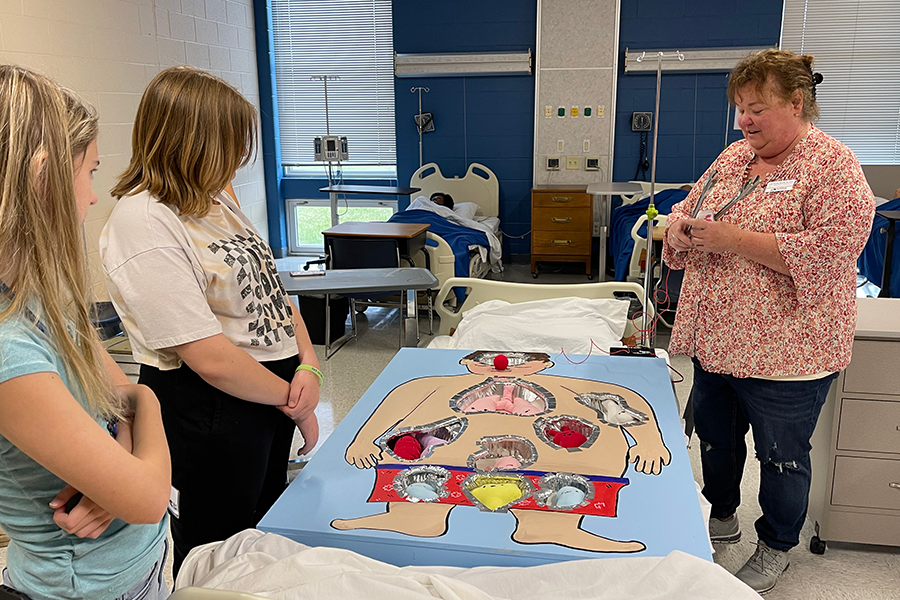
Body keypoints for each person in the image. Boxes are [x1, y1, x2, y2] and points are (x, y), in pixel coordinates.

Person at [663, 49, 875, 593]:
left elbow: (834, 251)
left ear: (796, 102)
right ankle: (722, 512)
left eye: (756, 108)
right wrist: (680, 229)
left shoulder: (832, 166)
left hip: (788, 351)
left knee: (781, 457)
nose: (744, 121)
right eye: (739, 108)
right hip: (717, 340)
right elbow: (690, 207)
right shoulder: (735, 159)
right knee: (716, 440)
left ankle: (777, 544)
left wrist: (734, 239)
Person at [100, 66, 321, 576]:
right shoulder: (145, 220)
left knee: (263, 527)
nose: (241, 157)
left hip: (267, 396)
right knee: (216, 546)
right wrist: (291, 400)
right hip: (210, 410)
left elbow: (272, 294)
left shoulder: (218, 198)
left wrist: (308, 365)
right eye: (230, 142)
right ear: (192, 140)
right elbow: (209, 358)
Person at [0, 65, 170, 600]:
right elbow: (146, 496)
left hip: (136, 561)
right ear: (42, 172)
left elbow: (117, 396)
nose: (94, 197)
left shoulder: (41, 291)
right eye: (90, 171)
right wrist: (145, 412)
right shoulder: (8, 347)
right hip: (90, 585)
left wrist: (119, 463)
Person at [334, 350, 670, 552]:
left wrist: (650, 439)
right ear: (468, 363)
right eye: (483, 363)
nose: (505, 366)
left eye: (524, 363)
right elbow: (395, 403)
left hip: (548, 463)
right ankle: (411, 520)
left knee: (599, 444)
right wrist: (364, 440)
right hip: (443, 456)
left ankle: (554, 528)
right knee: (411, 457)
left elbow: (622, 400)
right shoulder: (433, 384)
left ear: (542, 365)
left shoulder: (571, 386)